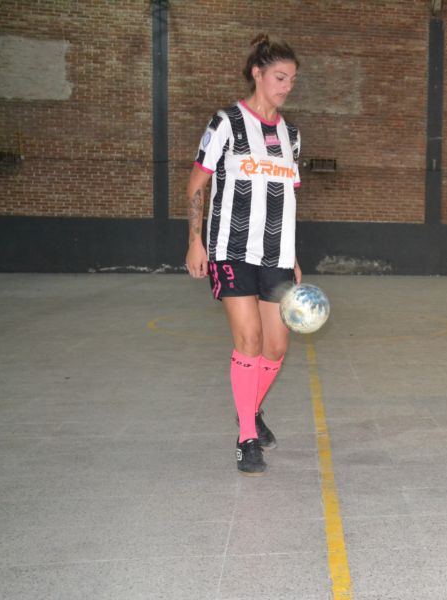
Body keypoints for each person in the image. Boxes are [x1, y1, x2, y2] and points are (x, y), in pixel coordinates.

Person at [185, 34, 302, 476]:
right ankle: (247, 437)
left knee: (277, 345)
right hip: (231, 250)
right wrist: (195, 241)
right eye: (279, 77)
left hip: (277, 253)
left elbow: (290, 200)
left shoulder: (290, 136)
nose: (286, 86)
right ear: (257, 73)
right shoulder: (226, 122)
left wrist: (292, 255)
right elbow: (197, 184)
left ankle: (248, 410)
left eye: (291, 79)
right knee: (249, 340)